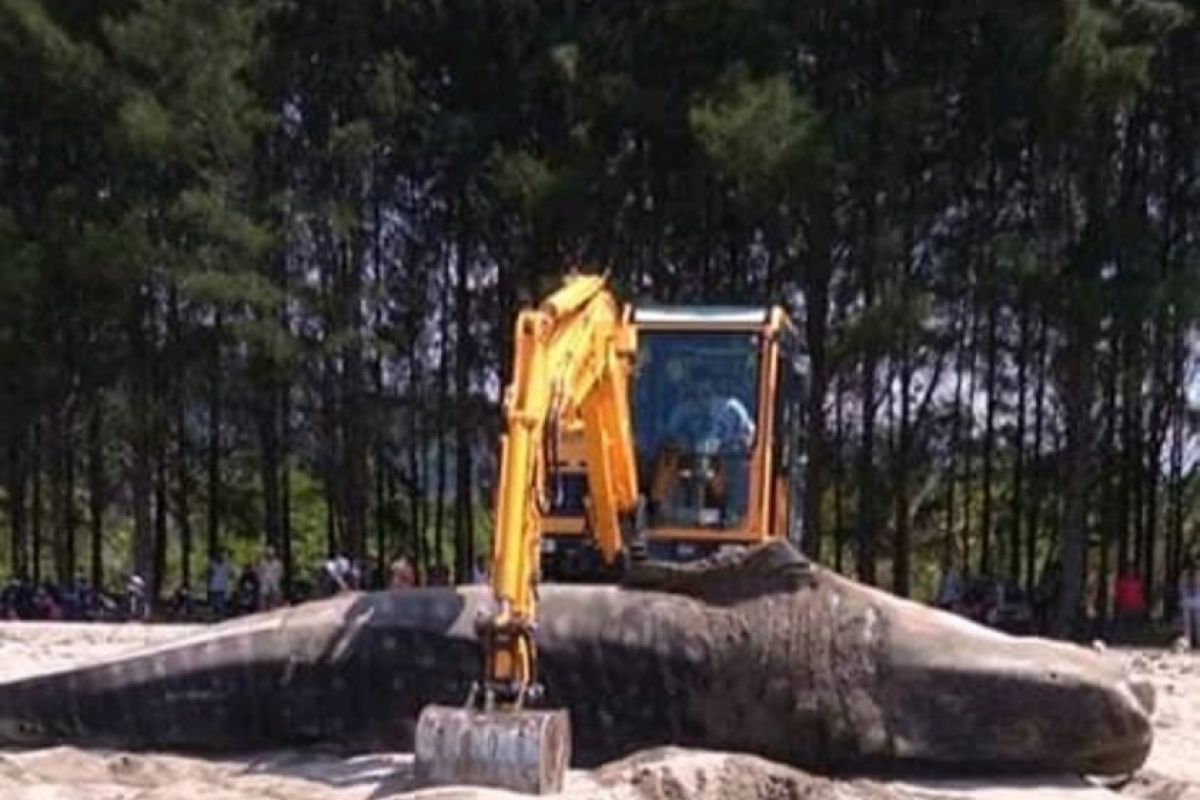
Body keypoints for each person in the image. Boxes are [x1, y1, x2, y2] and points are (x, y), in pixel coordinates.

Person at [1179, 559, 1200, 650]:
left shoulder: (1198, 574)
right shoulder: (1185, 574)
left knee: (1197, 623)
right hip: (1188, 600)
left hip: (1195, 600)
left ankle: (1197, 642)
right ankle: (1188, 642)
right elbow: (1181, 586)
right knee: (1188, 624)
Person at [207, 550, 232, 619]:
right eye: (218, 555)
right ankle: (214, 617)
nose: (220, 557)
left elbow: (231, 574)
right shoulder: (212, 564)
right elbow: (209, 574)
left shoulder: (227, 565)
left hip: (222, 587)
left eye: (221, 555)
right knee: (213, 604)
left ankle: (221, 617)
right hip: (214, 586)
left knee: (221, 604)